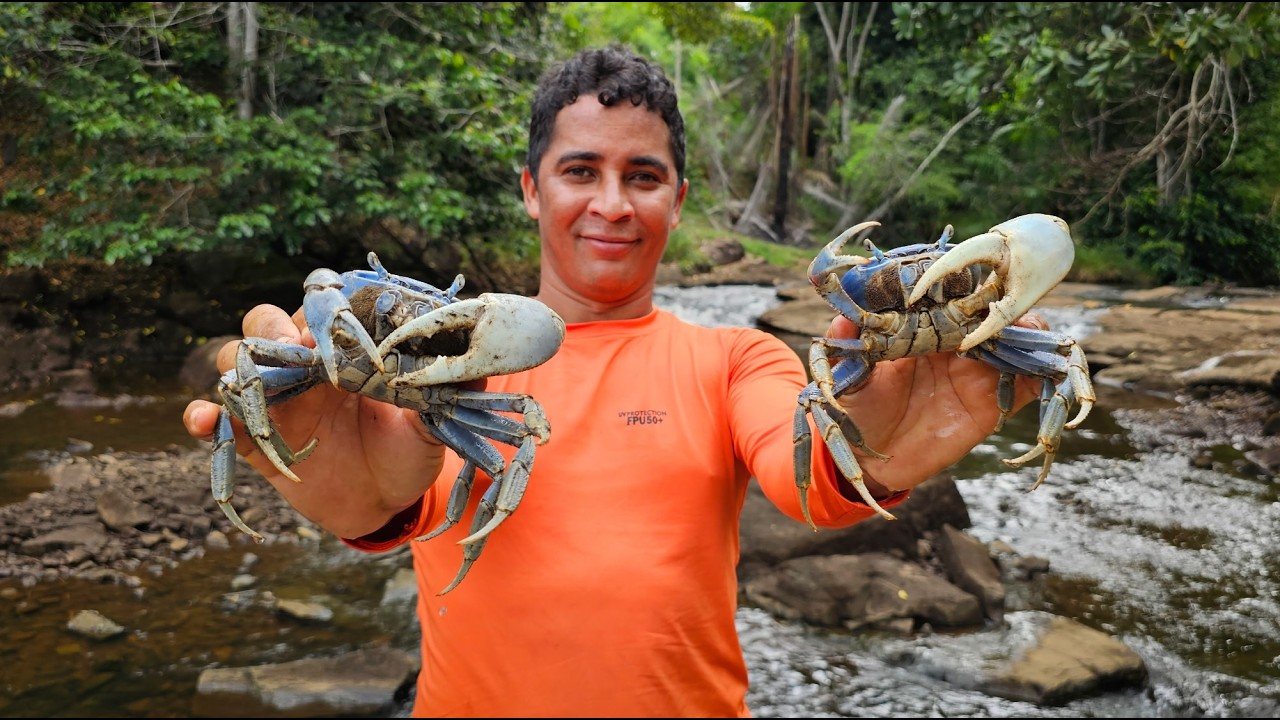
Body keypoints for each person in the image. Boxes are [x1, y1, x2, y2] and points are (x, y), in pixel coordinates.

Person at [183, 44, 1045, 717]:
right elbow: (388, 491)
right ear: (530, 188)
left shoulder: (732, 360)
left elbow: (807, 469)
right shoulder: (452, 370)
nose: (611, 205)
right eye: (580, 171)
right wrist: (364, 499)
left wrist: (877, 445)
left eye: (643, 178)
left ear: (677, 200)